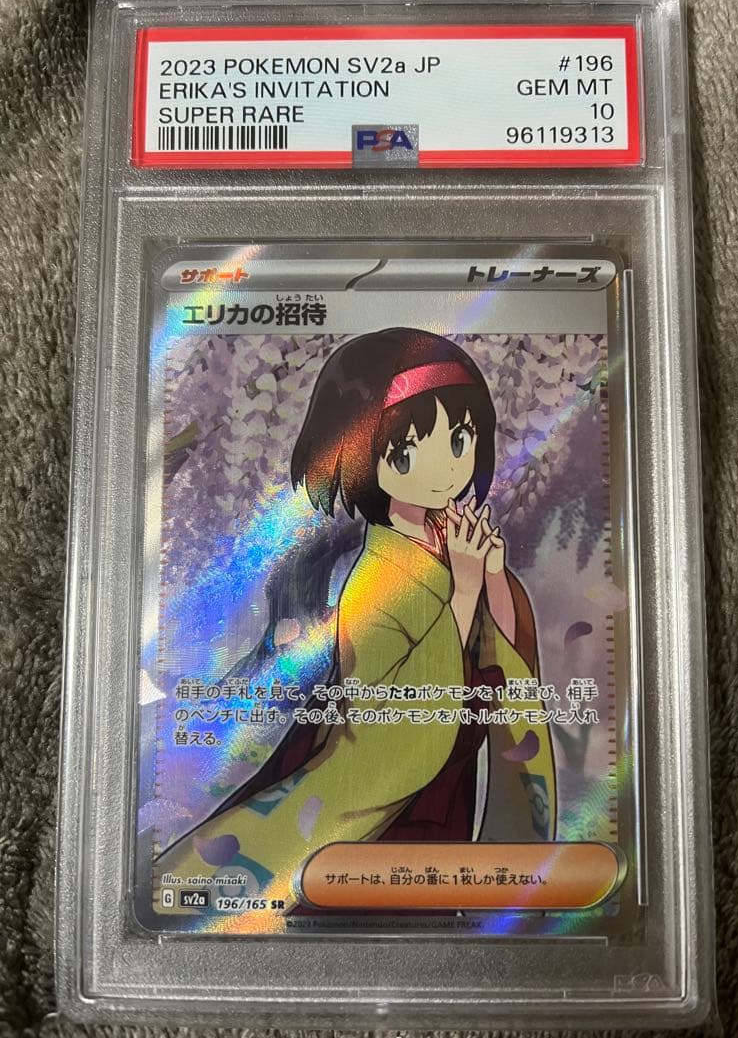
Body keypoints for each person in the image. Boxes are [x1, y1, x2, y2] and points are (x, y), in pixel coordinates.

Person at [155, 328, 556, 915]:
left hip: (447, 781)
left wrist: (491, 577)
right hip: (385, 807)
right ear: (363, 456)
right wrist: (467, 587)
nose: (444, 469)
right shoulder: (374, 576)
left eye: (460, 440)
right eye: (406, 454)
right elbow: (392, 725)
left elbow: (503, 663)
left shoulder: (457, 546)